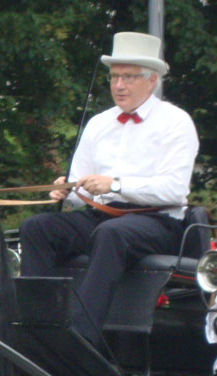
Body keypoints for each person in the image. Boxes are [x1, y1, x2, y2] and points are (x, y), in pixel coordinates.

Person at [19, 31, 199, 348]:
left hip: (158, 221)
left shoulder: (175, 122)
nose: (119, 85)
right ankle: (38, 328)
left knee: (112, 234)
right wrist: (66, 190)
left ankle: (81, 337)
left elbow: (173, 190)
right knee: (36, 228)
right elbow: (80, 190)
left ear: (152, 80)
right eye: (115, 77)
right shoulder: (99, 124)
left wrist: (116, 184)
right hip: (99, 215)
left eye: (129, 77)